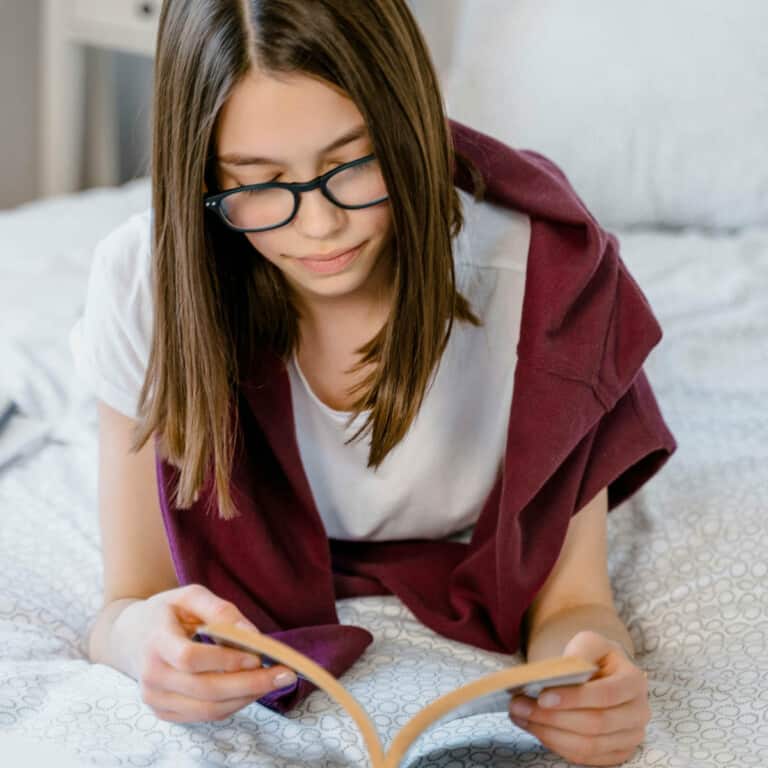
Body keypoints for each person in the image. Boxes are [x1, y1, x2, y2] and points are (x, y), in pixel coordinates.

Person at [70, 1, 676, 765]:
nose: (319, 228)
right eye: (257, 184)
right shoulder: (147, 285)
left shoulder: (542, 285)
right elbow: (127, 601)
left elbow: (575, 603)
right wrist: (143, 647)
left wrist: (590, 683)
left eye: (352, 164)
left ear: (410, 125)